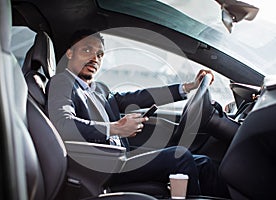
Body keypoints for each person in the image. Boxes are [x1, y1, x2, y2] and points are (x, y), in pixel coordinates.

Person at [46, 30, 229, 197]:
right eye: (87, 50)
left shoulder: (98, 88)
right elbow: (63, 124)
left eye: (100, 54)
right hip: (102, 165)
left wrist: (188, 87)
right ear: (70, 53)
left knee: (203, 163)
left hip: (121, 157)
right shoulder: (62, 82)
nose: (95, 58)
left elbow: (136, 97)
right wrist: (115, 128)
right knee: (180, 155)